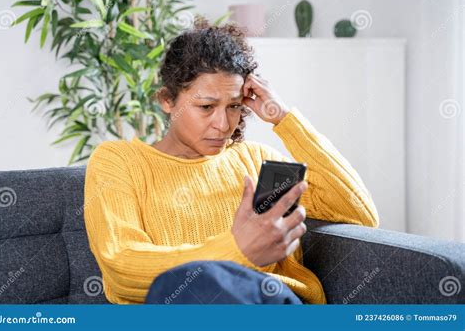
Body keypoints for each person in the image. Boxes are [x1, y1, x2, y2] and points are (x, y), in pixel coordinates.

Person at [83, 18, 379, 305]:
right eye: (206, 107)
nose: (223, 125)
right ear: (167, 100)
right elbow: (122, 268)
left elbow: (359, 214)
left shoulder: (256, 160)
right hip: (181, 311)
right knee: (181, 287)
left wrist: (283, 118)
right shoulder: (119, 161)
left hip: (271, 304)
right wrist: (239, 251)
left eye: (234, 106)